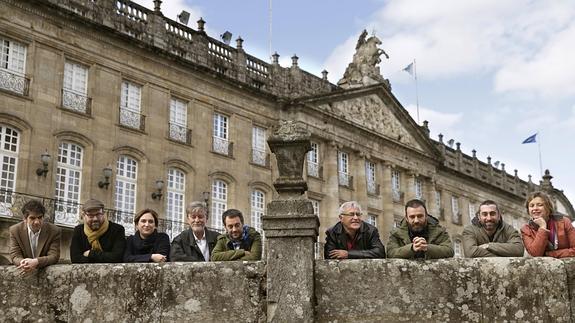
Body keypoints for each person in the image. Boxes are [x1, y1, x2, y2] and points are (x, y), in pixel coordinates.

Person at [388, 199, 454, 259]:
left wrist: (427, 247)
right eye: (412, 217)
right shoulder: (396, 233)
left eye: (420, 216)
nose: (416, 220)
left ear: (426, 216)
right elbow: (390, 253)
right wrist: (411, 248)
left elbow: (449, 250)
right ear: (406, 218)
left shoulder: (438, 230)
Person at [9, 200, 61, 272]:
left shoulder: (54, 231)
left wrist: (36, 262)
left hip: (45, 275)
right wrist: (24, 263)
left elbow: (54, 256)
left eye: (40, 217)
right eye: (32, 218)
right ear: (25, 219)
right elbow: (15, 255)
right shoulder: (15, 230)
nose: (37, 222)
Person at [521, 191, 575, 258]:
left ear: (548, 208)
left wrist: (551, 254)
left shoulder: (564, 222)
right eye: (531, 206)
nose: (535, 208)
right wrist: (543, 228)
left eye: (539, 205)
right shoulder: (526, 229)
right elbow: (536, 253)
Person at [70, 199, 126, 263]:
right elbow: (75, 259)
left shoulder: (117, 230)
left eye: (98, 214)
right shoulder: (78, 231)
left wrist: (90, 254)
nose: (95, 219)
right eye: (90, 215)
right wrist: (105, 257)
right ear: (84, 216)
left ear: (104, 213)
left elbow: (117, 257)